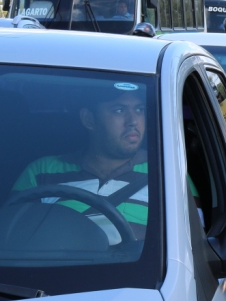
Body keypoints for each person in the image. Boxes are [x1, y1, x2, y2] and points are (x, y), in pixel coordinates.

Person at [11, 83, 149, 242]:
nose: (133, 121)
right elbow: (13, 238)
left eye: (139, 110)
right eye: (119, 110)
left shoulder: (166, 172)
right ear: (89, 119)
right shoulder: (41, 172)